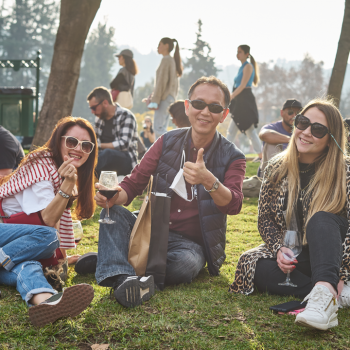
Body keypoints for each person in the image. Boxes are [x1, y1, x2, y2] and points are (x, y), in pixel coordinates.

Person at [78, 76, 246, 308]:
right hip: (150, 227)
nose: (205, 112)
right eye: (198, 104)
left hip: (190, 244)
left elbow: (234, 205)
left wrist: (209, 180)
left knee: (185, 266)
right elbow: (133, 184)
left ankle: (111, 261)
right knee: (111, 212)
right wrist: (115, 195)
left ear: (224, 115)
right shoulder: (166, 141)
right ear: (187, 107)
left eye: (214, 107)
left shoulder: (233, 156)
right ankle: (123, 279)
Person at [230, 98, 350, 331]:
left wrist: (342, 270)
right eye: (302, 122)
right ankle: (333, 292)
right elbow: (265, 219)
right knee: (252, 265)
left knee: (321, 219)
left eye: (317, 129)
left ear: (330, 139)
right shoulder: (276, 167)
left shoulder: (345, 171)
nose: (305, 132)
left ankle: (324, 296)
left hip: (339, 254)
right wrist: (278, 248)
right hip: (302, 256)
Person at [0, 116, 98, 326]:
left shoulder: (65, 171)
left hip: (11, 247)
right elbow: (46, 221)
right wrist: (66, 186)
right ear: (58, 140)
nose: (78, 149)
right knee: (48, 237)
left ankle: (46, 303)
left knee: (28, 266)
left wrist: (60, 258)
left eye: (86, 145)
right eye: (72, 142)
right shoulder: (42, 165)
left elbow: (47, 224)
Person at [87, 87, 138, 178]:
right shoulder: (99, 119)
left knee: (107, 153)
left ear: (105, 103)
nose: (92, 112)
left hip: (126, 159)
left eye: (94, 108)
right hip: (104, 160)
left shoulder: (126, 116)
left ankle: (83, 174)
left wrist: (99, 145)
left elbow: (124, 144)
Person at [226, 45, 262, 160]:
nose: (238, 54)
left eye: (240, 52)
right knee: (232, 130)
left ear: (247, 54)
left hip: (244, 102)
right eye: (237, 52)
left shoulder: (248, 67)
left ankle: (261, 155)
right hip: (239, 101)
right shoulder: (241, 67)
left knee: (250, 130)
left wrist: (231, 96)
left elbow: (242, 85)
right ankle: (224, 152)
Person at [146, 37, 183, 138]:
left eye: (160, 45)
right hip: (169, 98)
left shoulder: (166, 60)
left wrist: (155, 99)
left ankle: (171, 146)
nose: (158, 47)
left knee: (158, 128)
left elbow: (161, 83)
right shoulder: (172, 61)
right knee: (163, 127)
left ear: (166, 46)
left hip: (164, 98)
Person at [258, 99, 302, 176]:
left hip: (292, 172)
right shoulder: (273, 127)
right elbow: (263, 135)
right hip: (269, 174)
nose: (294, 116)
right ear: (282, 113)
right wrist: (292, 140)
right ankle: (274, 180)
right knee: (271, 144)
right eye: (290, 112)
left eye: (298, 113)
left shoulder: (303, 131)